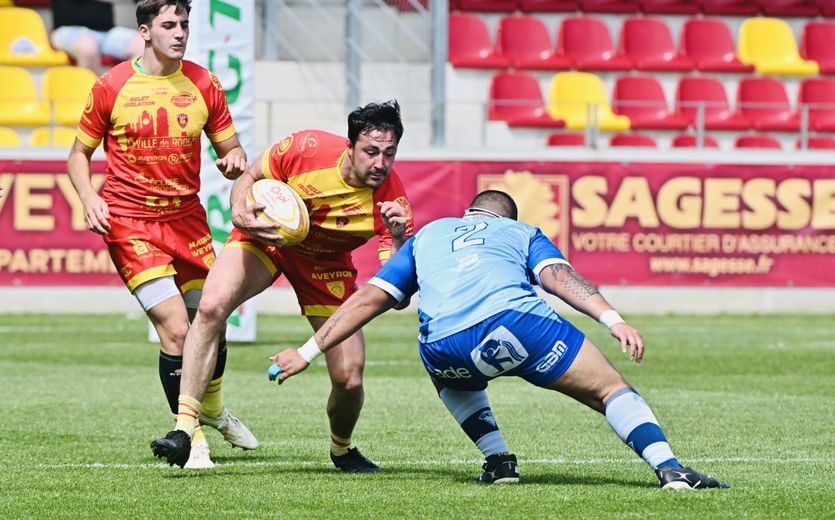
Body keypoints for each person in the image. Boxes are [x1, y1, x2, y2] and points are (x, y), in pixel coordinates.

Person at [271, 190, 730, 490]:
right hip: (519, 325)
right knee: (611, 390)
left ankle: (499, 462)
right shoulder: (520, 231)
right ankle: (670, 469)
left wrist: (307, 351)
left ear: (470, 212)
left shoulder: (428, 234)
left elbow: (371, 297)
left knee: (447, 374)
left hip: (447, 344)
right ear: (505, 217)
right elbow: (557, 277)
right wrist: (612, 319)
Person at [150, 100, 414, 472]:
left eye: (389, 154)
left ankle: (342, 449)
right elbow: (251, 176)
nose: (380, 163)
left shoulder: (393, 203)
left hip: (326, 264)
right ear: (350, 146)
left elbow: (396, 295)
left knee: (350, 378)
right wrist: (239, 207)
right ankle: (185, 427)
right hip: (268, 237)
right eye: (371, 151)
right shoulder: (306, 147)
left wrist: (399, 237)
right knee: (211, 307)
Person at [68, 0, 258, 470]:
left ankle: (211, 408)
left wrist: (234, 163)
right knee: (177, 330)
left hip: (187, 221)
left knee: (212, 320)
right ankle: (189, 435)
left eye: (185, 24)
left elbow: (234, 152)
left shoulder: (204, 83)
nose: (180, 33)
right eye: (169, 25)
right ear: (145, 31)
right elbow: (77, 154)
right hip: (130, 223)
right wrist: (90, 197)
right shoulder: (111, 86)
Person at [51, 0, 145, 74]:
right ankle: (95, 93)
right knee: (88, 47)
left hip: (106, 31)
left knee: (143, 44)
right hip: (67, 30)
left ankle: (125, 91)